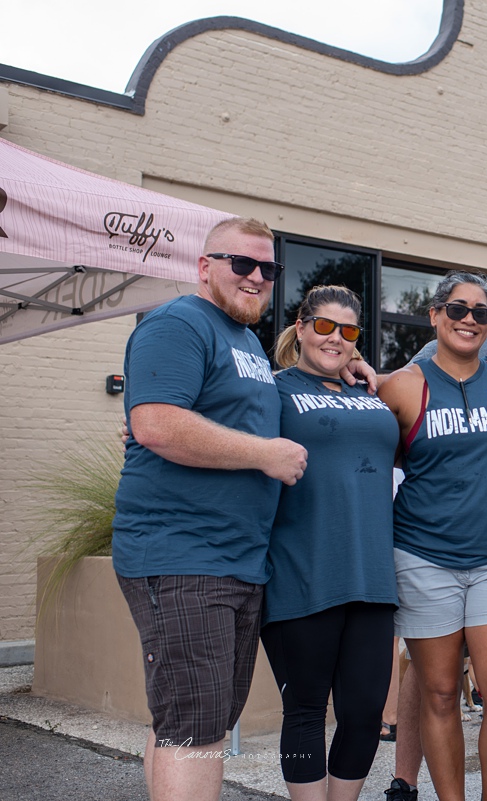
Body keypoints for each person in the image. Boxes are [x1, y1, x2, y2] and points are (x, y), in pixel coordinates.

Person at [112, 217, 308, 801]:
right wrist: (264, 454)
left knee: (191, 723)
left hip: (234, 561)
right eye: (240, 264)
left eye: (268, 269)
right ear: (205, 267)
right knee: (196, 728)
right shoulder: (180, 322)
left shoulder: (244, 340)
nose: (255, 278)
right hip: (181, 555)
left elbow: (212, 409)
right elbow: (155, 422)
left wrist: (348, 369)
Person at [386, 245, 487, 801]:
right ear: (435, 315)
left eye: (480, 312)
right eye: (457, 309)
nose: (469, 321)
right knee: (436, 693)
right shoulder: (401, 385)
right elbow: (352, 448)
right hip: (424, 556)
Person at [259, 285, 400, 801]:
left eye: (348, 331)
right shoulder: (273, 389)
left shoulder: (370, 394)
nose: (335, 338)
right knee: (305, 710)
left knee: (365, 713)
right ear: (300, 327)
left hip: (372, 577)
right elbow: (213, 427)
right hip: (302, 572)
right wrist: (135, 429)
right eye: (323, 326)